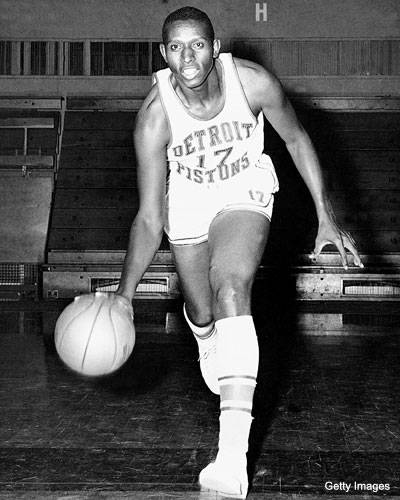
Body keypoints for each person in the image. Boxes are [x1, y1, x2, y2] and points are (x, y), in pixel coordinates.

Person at [116, 6, 363, 498]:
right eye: (176, 47)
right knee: (202, 309)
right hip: (187, 200)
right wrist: (125, 295)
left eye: (198, 44)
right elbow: (148, 217)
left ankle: (231, 462)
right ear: (164, 54)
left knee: (232, 286)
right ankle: (207, 333)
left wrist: (325, 216)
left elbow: (295, 137)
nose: (188, 56)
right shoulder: (154, 117)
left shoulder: (251, 82)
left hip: (244, 190)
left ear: (215, 46)